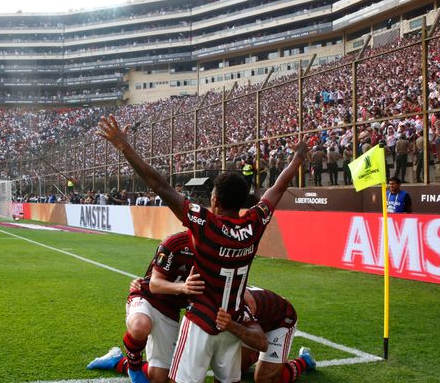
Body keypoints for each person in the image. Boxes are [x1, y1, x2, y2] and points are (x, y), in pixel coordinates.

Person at [98, 115, 307, 383]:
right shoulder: (255, 223)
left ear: (214, 199)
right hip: (231, 322)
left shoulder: (205, 224)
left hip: (200, 319)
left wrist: (125, 147)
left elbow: (158, 184)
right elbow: (278, 188)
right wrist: (297, 161)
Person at [90, 286, 316, 383]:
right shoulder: (204, 292)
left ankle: (303, 361)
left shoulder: (237, 304)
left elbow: (261, 341)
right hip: (239, 324)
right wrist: (142, 286)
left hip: (277, 320)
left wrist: (231, 327)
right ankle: (118, 360)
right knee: (167, 372)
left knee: (264, 379)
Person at [87, 231, 202, 383]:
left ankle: (117, 361)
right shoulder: (174, 243)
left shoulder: (215, 250)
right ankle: (134, 367)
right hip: (147, 296)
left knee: (159, 378)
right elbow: (154, 284)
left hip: (170, 310)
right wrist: (183, 288)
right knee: (140, 325)